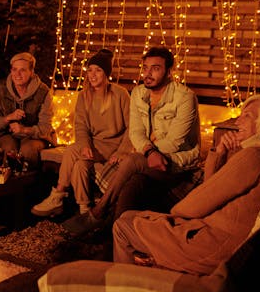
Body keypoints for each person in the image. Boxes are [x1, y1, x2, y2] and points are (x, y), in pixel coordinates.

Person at [112, 94, 260, 275]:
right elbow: (212, 186)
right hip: (230, 243)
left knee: (123, 224)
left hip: (213, 247)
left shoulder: (254, 157)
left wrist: (171, 218)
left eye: (247, 116)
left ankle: (123, 290)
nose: (238, 121)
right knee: (137, 209)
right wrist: (220, 152)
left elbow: (192, 206)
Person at [62, 46, 201, 237]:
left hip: (177, 161)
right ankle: (112, 232)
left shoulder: (185, 97)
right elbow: (135, 131)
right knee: (132, 183)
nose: (148, 73)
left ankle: (98, 211)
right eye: (145, 68)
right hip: (148, 158)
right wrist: (148, 150)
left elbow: (175, 141)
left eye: (156, 68)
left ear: (169, 72)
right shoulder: (138, 93)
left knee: (133, 161)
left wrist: (146, 152)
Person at [31, 49, 132, 217]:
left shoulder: (120, 94)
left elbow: (132, 126)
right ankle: (85, 210)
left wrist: (123, 151)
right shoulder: (84, 96)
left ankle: (58, 194)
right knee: (79, 165)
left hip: (114, 145)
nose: (92, 75)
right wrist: (84, 145)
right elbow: (81, 126)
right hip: (95, 144)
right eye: (90, 70)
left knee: (70, 150)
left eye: (98, 70)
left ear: (106, 73)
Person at [0, 52, 55, 168]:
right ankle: (6, 183)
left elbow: (45, 128)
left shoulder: (44, 92)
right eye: (14, 69)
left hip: (34, 137)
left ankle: (28, 184)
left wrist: (24, 130)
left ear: (31, 72)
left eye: (22, 70)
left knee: (27, 151)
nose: (17, 74)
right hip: (6, 135)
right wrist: (9, 118)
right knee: (8, 149)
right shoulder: (0, 89)